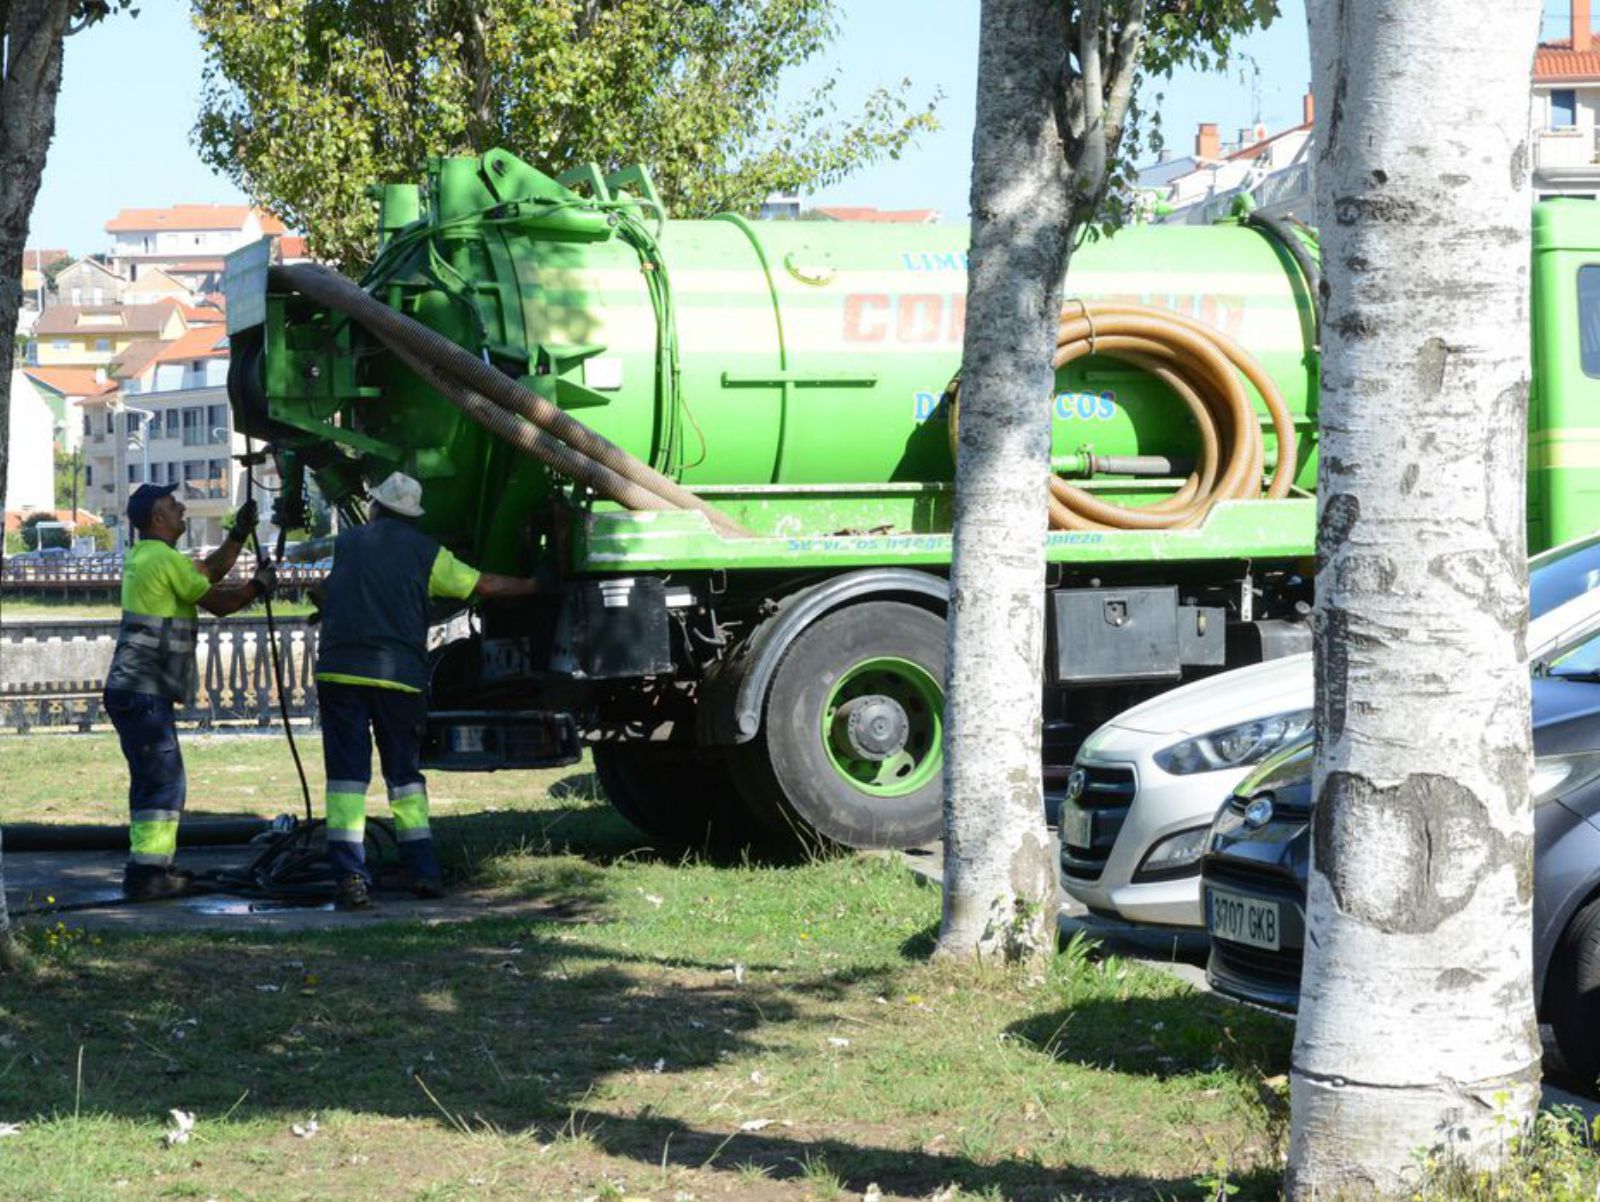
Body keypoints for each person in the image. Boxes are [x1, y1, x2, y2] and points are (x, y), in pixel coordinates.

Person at [313, 471, 541, 909]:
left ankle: (350, 879)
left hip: (341, 673)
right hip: (399, 676)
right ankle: (423, 872)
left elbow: (326, 592)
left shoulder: (349, 543)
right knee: (403, 777)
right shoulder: (427, 553)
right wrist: (533, 585)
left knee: (346, 779)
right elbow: (484, 586)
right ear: (413, 516)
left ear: (377, 506)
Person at [104, 483, 276, 899]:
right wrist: (259, 586)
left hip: (134, 688)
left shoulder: (149, 557)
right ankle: (147, 873)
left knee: (155, 780)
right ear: (156, 518)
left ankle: (152, 867)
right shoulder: (162, 559)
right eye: (171, 505)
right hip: (144, 690)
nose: (181, 508)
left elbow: (206, 575)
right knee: (163, 784)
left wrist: (237, 535)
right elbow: (221, 602)